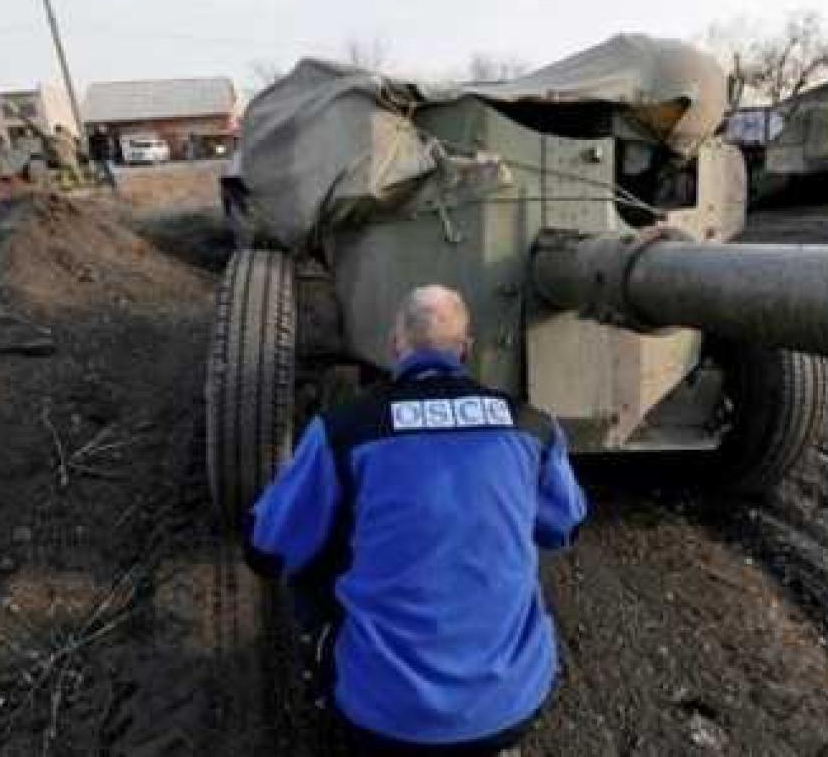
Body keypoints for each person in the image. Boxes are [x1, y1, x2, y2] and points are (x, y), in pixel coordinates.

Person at [245, 285, 587, 756]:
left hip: (382, 718)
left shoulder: (345, 429)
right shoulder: (533, 427)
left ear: (395, 347)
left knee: (309, 561)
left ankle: (337, 676)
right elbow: (564, 526)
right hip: (509, 708)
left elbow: (268, 548)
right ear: (466, 350)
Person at [87, 125, 117, 191]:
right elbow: (91, 148)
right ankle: (106, 184)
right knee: (103, 171)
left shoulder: (96, 137)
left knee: (105, 171)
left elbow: (110, 146)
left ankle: (109, 184)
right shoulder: (97, 138)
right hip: (101, 157)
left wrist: (92, 155)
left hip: (102, 157)